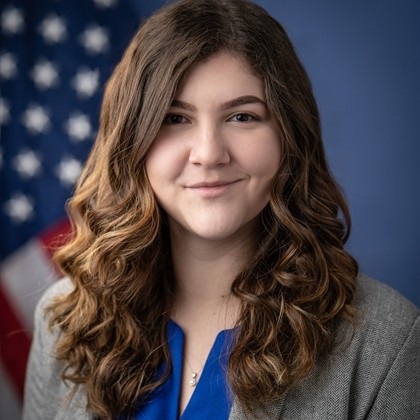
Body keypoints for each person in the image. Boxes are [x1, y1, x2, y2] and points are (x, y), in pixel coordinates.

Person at [23, 0, 419, 419]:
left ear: (289, 136)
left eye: (243, 116)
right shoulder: (64, 320)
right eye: (175, 118)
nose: (209, 154)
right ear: (130, 142)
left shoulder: (388, 340)